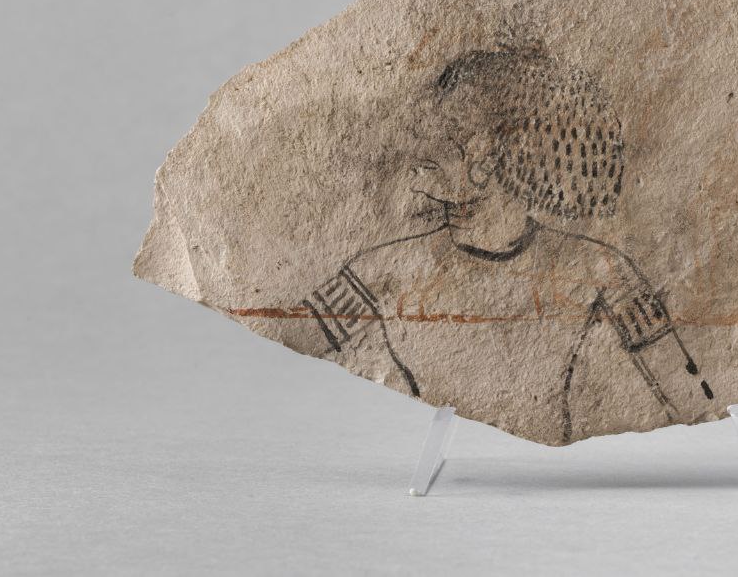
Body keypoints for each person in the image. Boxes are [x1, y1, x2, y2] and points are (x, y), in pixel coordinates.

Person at [299, 44, 712, 442]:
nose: (426, 144)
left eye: (452, 132)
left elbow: (693, 395)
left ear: (499, 152)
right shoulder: (379, 269)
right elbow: (297, 340)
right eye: (430, 127)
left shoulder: (601, 269)